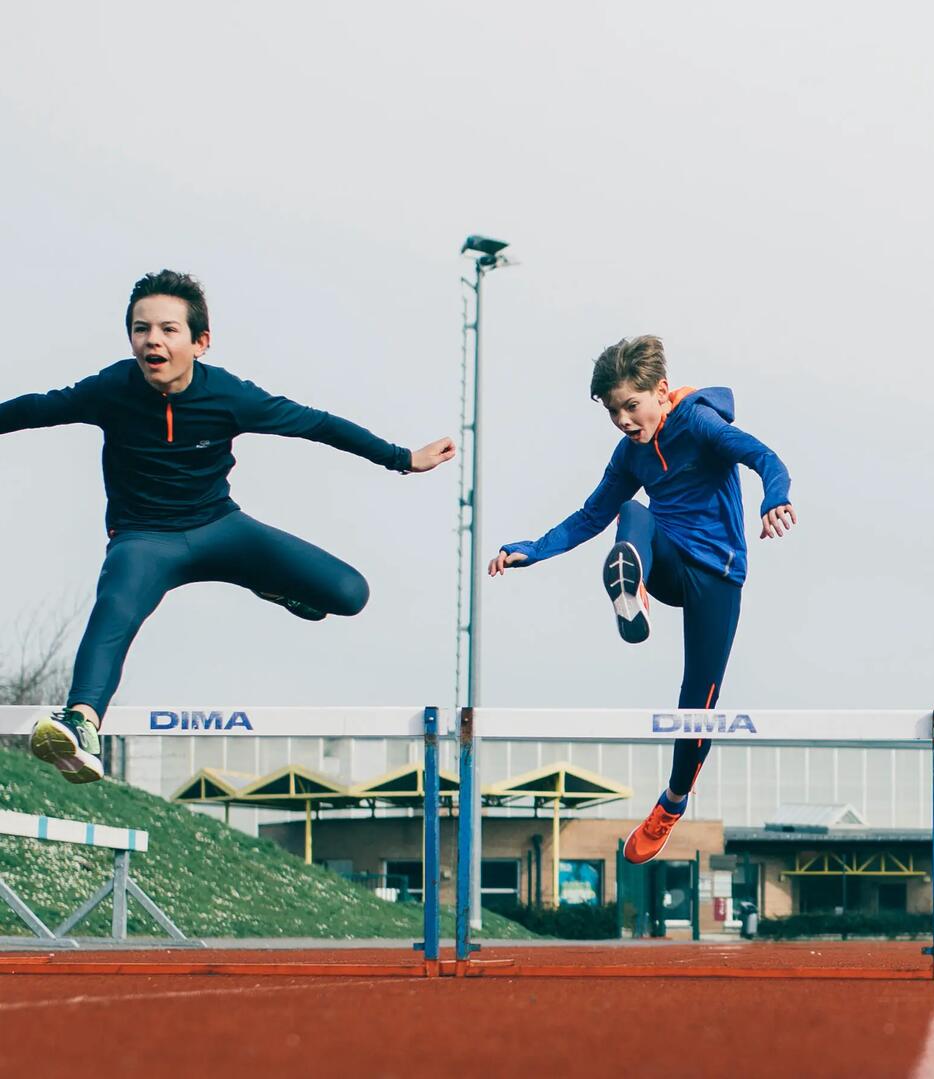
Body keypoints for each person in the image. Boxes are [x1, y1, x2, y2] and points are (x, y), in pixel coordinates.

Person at [0, 270, 455, 783]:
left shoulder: (231, 397)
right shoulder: (111, 389)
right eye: (141, 329)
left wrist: (402, 458)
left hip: (220, 528)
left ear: (201, 342)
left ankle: (270, 584)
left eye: (169, 330)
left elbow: (318, 424)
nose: (153, 340)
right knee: (115, 608)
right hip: (144, 539)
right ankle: (81, 724)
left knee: (350, 593)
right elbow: (38, 408)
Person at [489, 335, 793, 863]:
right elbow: (591, 515)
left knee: (697, 704)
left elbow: (763, 457)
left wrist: (775, 497)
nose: (625, 421)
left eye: (632, 406)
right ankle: (633, 589)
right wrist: (532, 551)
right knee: (632, 512)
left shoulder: (699, 424)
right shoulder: (627, 455)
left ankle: (671, 804)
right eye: (613, 412)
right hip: (668, 560)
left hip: (719, 575)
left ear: (661, 392)